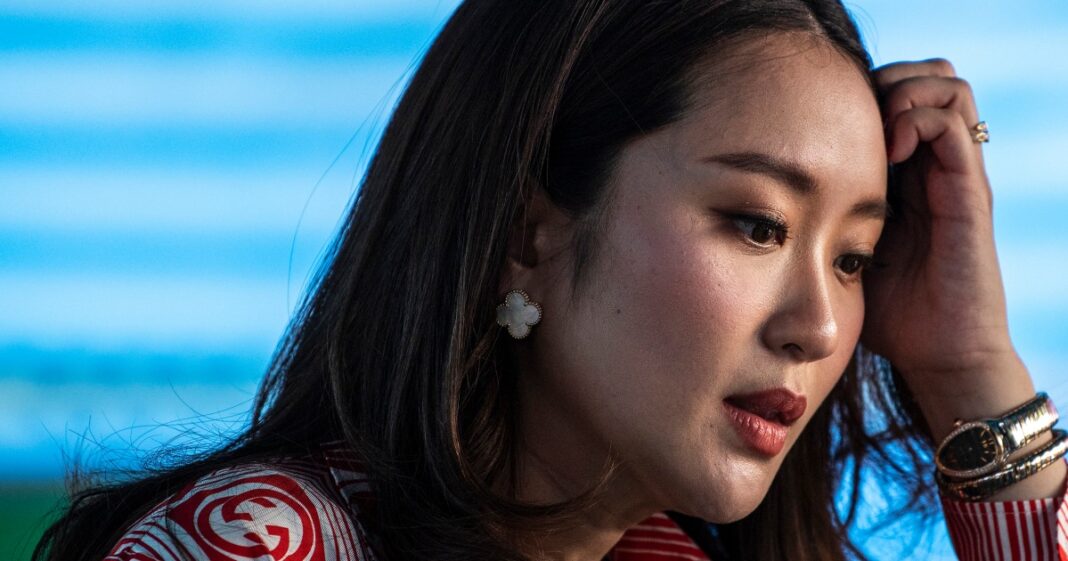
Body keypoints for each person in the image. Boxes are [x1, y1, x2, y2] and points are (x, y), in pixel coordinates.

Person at [33, 1, 1068, 560]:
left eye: (852, 260)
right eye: (758, 225)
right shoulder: (263, 545)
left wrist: (970, 368)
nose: (820, 326)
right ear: (527, 235)